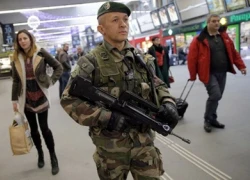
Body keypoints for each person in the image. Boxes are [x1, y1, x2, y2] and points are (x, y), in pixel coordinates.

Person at [60, 2, 179, 180]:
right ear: (101, 28)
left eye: (125, 19)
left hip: (144, 142)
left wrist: (168, 102)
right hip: (111, 148)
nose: (123, 24)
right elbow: (68, 100)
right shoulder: (90, 62)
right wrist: (106, 117)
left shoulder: (141, 58)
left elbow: (158, 84)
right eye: (115, 20)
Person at [11, 29, 63, 174]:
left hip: (40, 95)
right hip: (26, 98)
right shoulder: (16, 57)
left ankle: (53, 157)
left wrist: (51, 81)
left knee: (44, 128)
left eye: (25, 38)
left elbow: (58, 66)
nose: (22, 41)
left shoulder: (40, 52)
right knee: (33, 130)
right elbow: (16, 80)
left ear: (30, 39)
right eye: (20, 39)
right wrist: (14, 99)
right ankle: (40, 154)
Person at [188, 14, 247, 133]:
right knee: (215, 95)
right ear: (208, 23)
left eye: (218, 21)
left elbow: (233, 52)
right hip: (208, 73)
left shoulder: (224, 36)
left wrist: (241, 66)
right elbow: (192, 58)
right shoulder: (199, 39)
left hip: (222, 72)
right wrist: (193, 75)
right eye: (214, 21)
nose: (217, 23)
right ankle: (207, 119)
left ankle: (213, 118)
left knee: (217, 97)